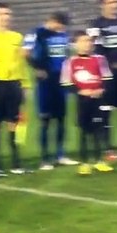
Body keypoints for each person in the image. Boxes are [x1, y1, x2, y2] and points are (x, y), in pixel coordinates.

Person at [0, 3, 30, 175]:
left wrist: (25, 84)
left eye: (8, 13)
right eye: (2, 13)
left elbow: (21, 64)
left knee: (15, 123)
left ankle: (16, 162)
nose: (6, 17)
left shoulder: (17, 37)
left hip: (14, 84)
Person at [61, 31, 114, 175]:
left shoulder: (100, 59)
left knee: (99, 129)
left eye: (89, 41)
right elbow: (66, 83)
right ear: (76, 44)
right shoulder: (70, 62)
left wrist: (101, 90)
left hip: (98, 99)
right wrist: (80, 91)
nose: (88, 44)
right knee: (84, 131)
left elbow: (108, 79)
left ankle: (99, 161)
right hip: (82, 101)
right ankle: (84, 163)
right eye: (84, 41)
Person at [27, 12, 74, 169]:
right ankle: (44, 159)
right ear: (53, 21)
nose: (61, 28)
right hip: (45, 82)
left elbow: (66, 54)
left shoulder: (63, 35)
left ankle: (60, 155)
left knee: (61, 119)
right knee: (45, 120)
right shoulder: (37, 33)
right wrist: (37, 68)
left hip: (60, 81)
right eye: (59, 25)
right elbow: (25, 53)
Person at [88, 0, 117, 155]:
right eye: (110, 2)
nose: (114, 5)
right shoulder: (96, 24)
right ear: (102, 4)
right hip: (106, 73)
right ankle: (107, 147)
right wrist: (108, 63)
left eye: (116, 2)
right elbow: (96, 48)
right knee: (105, 109)